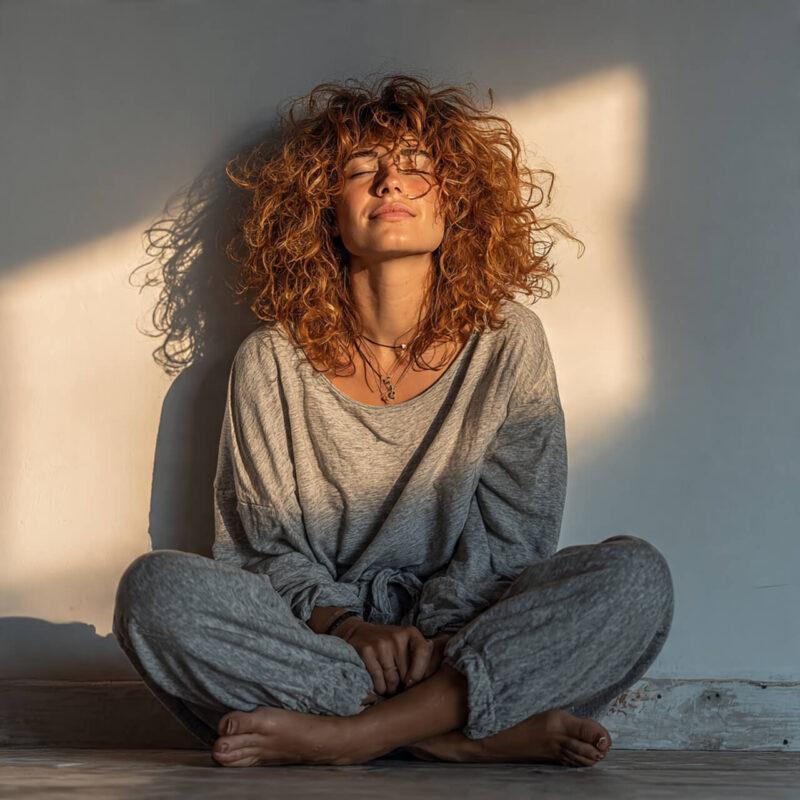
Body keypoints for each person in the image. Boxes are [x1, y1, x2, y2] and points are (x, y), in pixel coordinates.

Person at [113, 74, 674, 768]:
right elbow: (262, 553)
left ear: (455, 203)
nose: (389, 183)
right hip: (325, 642)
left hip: (465, 637)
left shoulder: (507, 343)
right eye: (360, 170)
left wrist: (436, 644)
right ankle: (461, 734)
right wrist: (352, 630)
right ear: (324, 209)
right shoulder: (272, 361)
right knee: (154, 593)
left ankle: (350, 736)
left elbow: (512, 544)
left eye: (415, 167)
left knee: (636, 579)